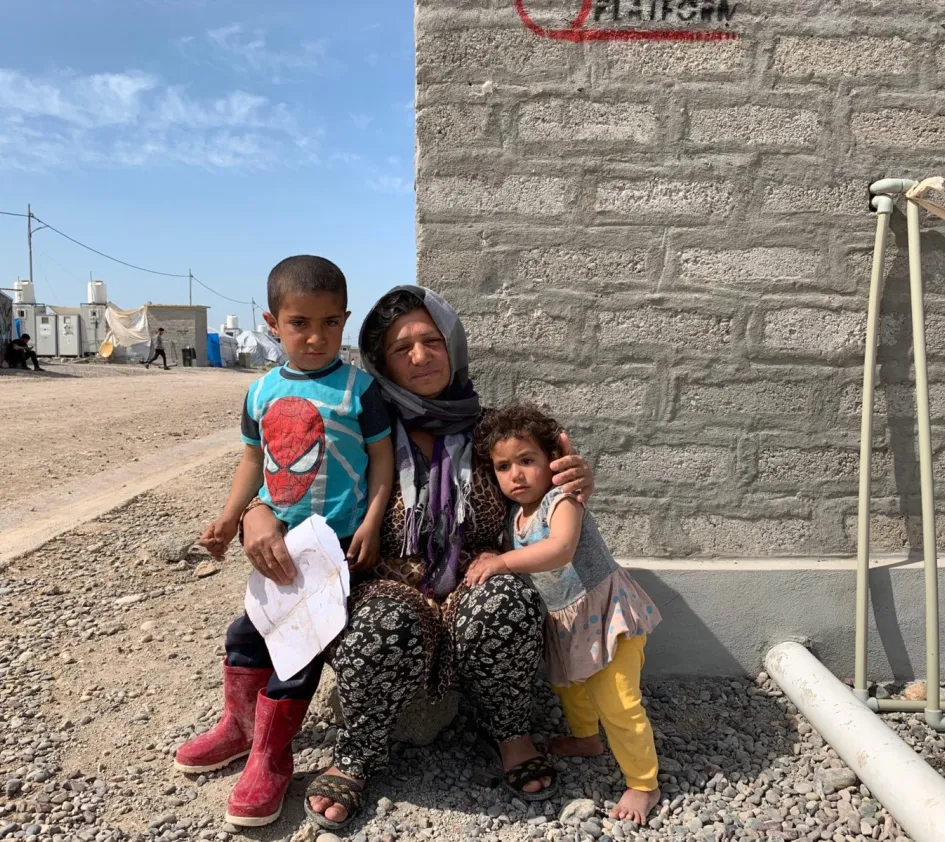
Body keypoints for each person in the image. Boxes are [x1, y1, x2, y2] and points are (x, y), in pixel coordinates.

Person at [240, 286, 595, 831]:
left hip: (475, 577)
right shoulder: (361, 425)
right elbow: (292, 479)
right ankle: (359, 753)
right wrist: (256, 512)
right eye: (401, 348)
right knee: (380, 626)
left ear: (453, 345)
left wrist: (574, 479)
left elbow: (543, 488)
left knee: (507, 605)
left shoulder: (495, 432)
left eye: (432, 341)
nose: (421, 356)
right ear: (381, 362)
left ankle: (510, 734)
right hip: (386, 582)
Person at [176, 256, 394, 828]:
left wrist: (372, 522)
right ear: (273, 323)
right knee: (247, 635)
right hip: (276, 549)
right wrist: (230, 518)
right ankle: (240, 728)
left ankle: (272, 756)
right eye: (300, 323)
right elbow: (253, 461)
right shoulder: (261, 391)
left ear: (345, 319)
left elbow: (382, 460)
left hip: (335, 550)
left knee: (298, 649)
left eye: (330, 323)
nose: (316, 337)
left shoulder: (360, 390)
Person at [465, 403, 662, 825]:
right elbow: (521, 555)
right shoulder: (514, 517)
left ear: (552, 460)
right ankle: (587, 739)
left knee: (619, 702)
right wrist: (492, 555)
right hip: (565, 620)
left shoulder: (562, 500)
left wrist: (501, 563)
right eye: (503, 467)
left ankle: (644, 783)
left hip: (604, 614)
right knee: (571, 688)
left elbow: (560, 549)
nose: (516, 475)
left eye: (527, 460)